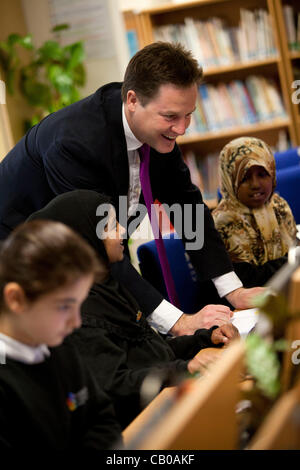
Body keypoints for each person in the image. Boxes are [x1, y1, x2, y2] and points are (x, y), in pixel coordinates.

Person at [0, 41, 263, 336]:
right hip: (17, 258)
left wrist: (233, 290)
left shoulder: (155, 129)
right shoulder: (75, 144)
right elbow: (98, 248)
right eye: (171, 116)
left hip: (79, 256)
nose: (182, 128)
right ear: (133, 100)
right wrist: (178, 322)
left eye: (188, 114)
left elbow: (187, 207)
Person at [28, 189, 240, 429]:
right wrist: (186, 368)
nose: (121, 231)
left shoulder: (108, 288)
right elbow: (115, 384)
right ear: (83, 242)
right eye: (110, 226)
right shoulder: (78, 315)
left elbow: (151, 351)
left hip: (162, 407)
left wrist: (205, 338)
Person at [0, 219, 122, 450]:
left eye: (79, 305)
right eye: (64, 306)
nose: (76, 322)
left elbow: (100, 417)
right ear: (16, 299)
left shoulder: (58, 346)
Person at [212, 136, 297, 287]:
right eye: (245, 178)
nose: (256, 184)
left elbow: (293, 248)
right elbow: (249, 280)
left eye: (263, 174)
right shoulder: (223, 222)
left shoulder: (278, 206)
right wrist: (292, 262)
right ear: (230, 180)